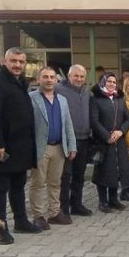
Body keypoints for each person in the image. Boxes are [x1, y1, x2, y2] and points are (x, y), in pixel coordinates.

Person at [0, 48, 40, 244]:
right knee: (1, 187)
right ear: (4, 61)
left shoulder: (20, 82)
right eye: (13, 61)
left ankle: (21, 221)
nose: (17, 65)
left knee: (18, 185)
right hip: (3, 146)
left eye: (21, 62)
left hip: (21, 146)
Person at [28, 67, 77, 230]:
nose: (49, 80)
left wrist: (72, 145)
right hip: (40, 148)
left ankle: (54, 213)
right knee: (38, 183)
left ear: (56, 80)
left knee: (55, 182)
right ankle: (38, 215)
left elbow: (68, 124)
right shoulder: (31, 98)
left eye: (52, 77)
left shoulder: (62, 100)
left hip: (59, 148)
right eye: (45, 77)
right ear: (38, 79)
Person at [55, 64, 94, 220]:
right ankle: (63, 208)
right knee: (65, 175)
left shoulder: (86, 92)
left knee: (79, 174)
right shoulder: (58, 90)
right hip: (66, 140)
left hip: (84, 139)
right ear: (69, 76)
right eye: (76, 76)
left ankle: (76, 204)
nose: (79, 79)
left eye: (81, 76)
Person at [91, 72, 129, 212]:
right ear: (103, 82)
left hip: (118, 141)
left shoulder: (120, 98)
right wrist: (106, 136)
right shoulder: (96, 99)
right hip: (103, 141)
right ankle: (102, 202)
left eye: (114, 82)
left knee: (115, 170)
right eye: (109, 81)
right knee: (103, 172)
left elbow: (128, 119)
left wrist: (121, 131)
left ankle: (113, 200)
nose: (112, 84)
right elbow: (94, 121)